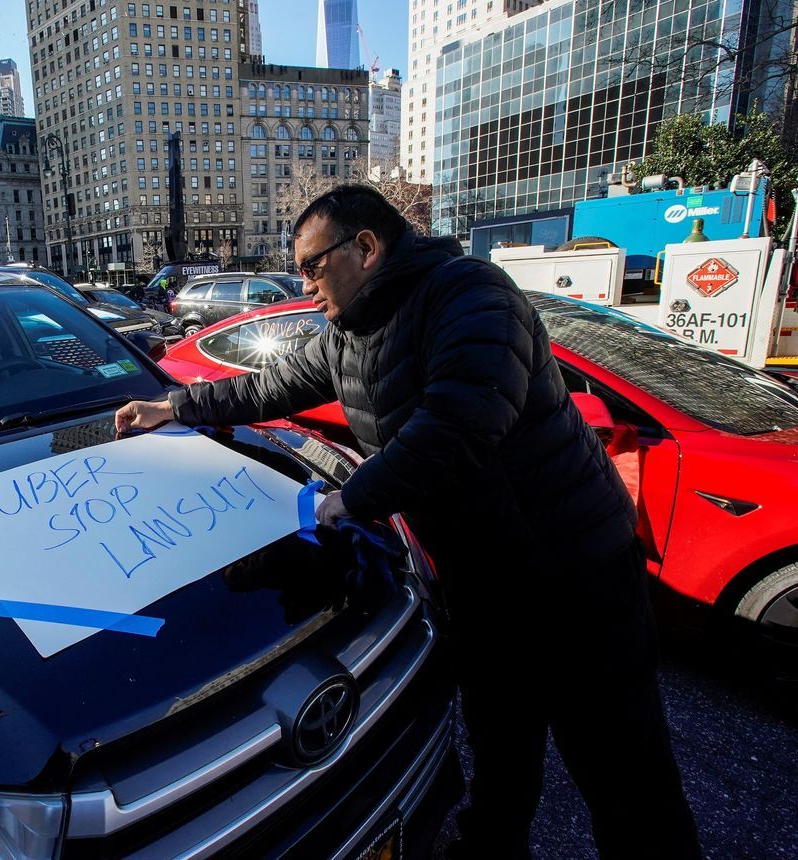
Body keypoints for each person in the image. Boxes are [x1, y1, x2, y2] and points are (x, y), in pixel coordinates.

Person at [114, 185, 699, 859]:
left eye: (309, 265)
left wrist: (349, 497)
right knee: (501, 751)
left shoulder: (470, 294)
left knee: (626, 779)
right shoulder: (349, 332)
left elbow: (458, 426)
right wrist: (176, 407)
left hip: (574, 577)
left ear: (365, 247)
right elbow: (267, 385)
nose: (302, 281)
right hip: (483, 581)